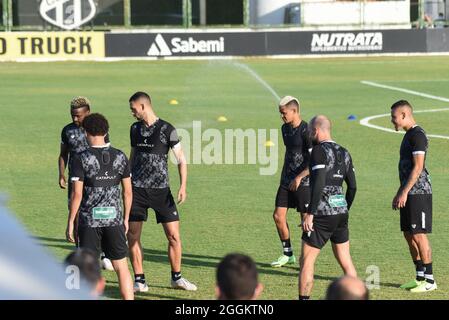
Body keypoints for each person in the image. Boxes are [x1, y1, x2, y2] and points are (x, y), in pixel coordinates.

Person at [126, 91, 197, 292]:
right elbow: (132, 157)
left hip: (161, 192)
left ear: (143, 106)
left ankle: (177, 278)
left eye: (133, 109)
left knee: (174, 236)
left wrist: (183, 186)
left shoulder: (168, 129)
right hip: (137, 190)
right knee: (133, 235)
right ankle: (139, 280)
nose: (132, 113)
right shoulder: (134, 129)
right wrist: (126, 183)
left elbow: (181, 159)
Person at [65, 113, 134, 300]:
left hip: (89, 223)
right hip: (115, 221)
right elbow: (127, 192)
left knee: (87, 269)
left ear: (86, 132)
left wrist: (71, 221)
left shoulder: (81, 158)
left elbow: (77, 194)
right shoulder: (120, 156)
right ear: (106, 131)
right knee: (122, 268)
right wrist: (125, 219)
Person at [299, 115, 357, 300]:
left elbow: (319, 183)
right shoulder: (345, 152)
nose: (308, 134)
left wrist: (310, 213)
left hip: (322, 213)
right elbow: (353, 186)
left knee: (307, 261)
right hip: (341, 212)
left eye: (309, 131)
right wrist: (345, 207)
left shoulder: (318, 151)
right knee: (346, 263)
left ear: (316, 130)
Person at [58, 96, 113, 271]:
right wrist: (61, 174)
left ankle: (104, 254)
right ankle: (80, 254)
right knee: (76, 215)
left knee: (100, 217)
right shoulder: (67, 131)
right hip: (76, 180)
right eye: (72, 115)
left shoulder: (97, 129)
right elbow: (63, 154)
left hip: (96, 182)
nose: (75, 119)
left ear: (87, 112)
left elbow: (106, 153)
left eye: (78, 115)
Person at [390, 100, 436, 292]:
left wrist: (404, 191)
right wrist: (400, 191)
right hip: (409, 192)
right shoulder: (409, 135)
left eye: (393, 117)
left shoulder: (417, 135)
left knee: (419, 235)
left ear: (403, 115)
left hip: (419, 193)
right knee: (409, 234)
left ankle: (430, 281)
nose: (391, 120)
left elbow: (418, 168)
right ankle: (419, 277)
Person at [271, 96, 312, 268]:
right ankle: (288, 253)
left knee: (305, 221)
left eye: (284, 113)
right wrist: (289, 177)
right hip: (286, 181)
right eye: (280, 113)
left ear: (294, 111)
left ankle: (307, 259)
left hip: (304, 182)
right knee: (278, 216)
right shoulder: (284, 129)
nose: (282, 116)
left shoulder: (307, 131)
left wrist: (299, 177)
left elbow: (314, 161)